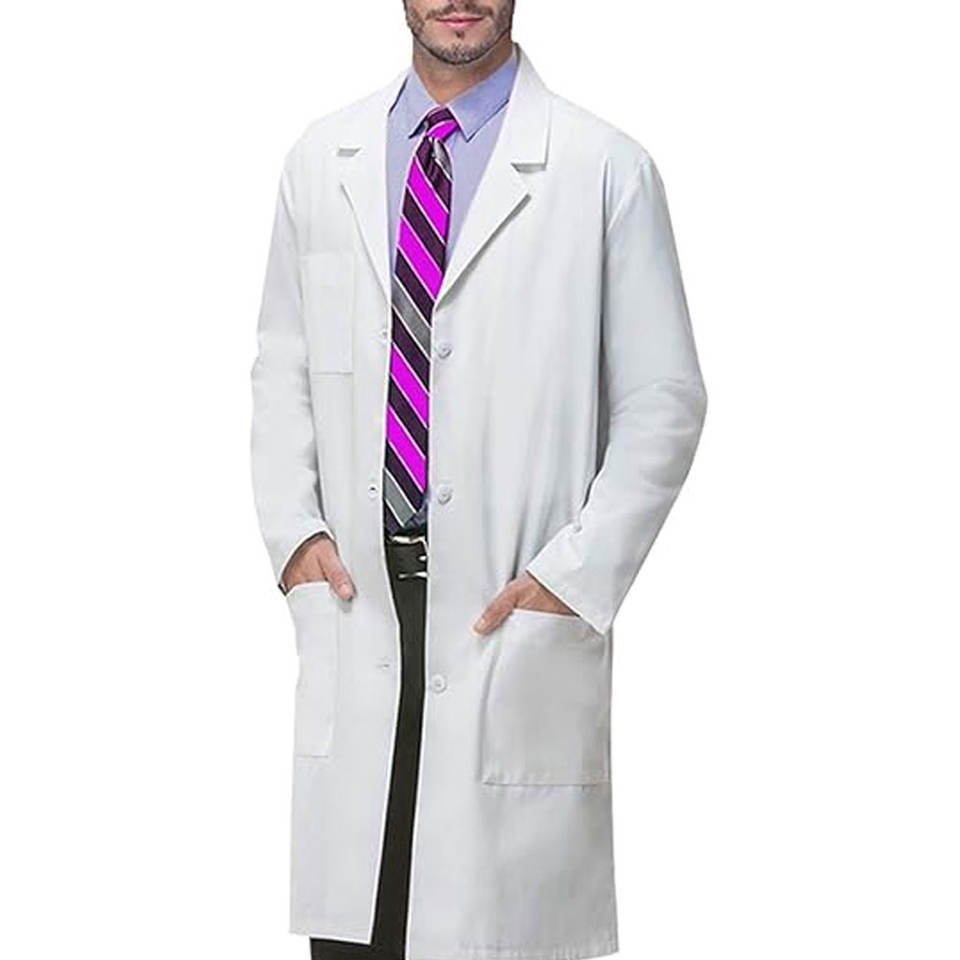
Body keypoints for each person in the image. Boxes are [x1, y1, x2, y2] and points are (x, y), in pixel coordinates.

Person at [250, 3, 707, 958]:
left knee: (500, 934)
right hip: (360, 605)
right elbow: (282, 364)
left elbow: (664, 399)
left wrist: (572, 577)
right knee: (362, 933)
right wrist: (296, 536)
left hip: (509, 611)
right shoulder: (321, 159)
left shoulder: (603, 169)